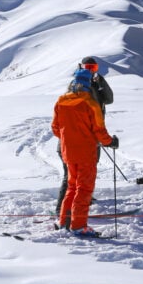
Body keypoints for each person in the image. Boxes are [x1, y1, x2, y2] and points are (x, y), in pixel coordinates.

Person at [52, 67, 118, 236]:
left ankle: (64, 222)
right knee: (84, 189)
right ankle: (78, 225)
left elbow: (55, 128)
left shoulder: (60, 101)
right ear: (88, 84)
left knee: (72, 187)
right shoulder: (90, 103)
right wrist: (110, 142)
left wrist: (69, 138)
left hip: (68, 152)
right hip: (86, 153)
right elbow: (99, 130)